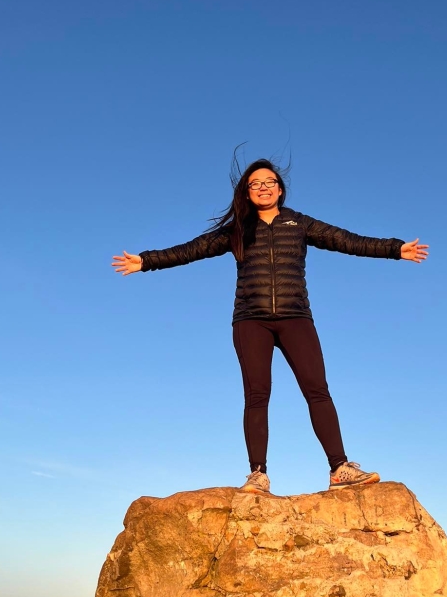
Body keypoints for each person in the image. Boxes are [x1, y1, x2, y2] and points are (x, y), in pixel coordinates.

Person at [112, 159, 428, 494]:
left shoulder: (299, 223)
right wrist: (146, 261)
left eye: (269, 182)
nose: (263, 187)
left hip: (296, 317)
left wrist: (395, 250)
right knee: (257, 395)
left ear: (279, 188)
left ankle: (339, 469)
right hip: (251, 320)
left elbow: (347, 240)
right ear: (246, 193)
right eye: (255, 184)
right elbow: (193, 249)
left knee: (317, 389)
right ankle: (258, 474)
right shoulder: (238, 230)